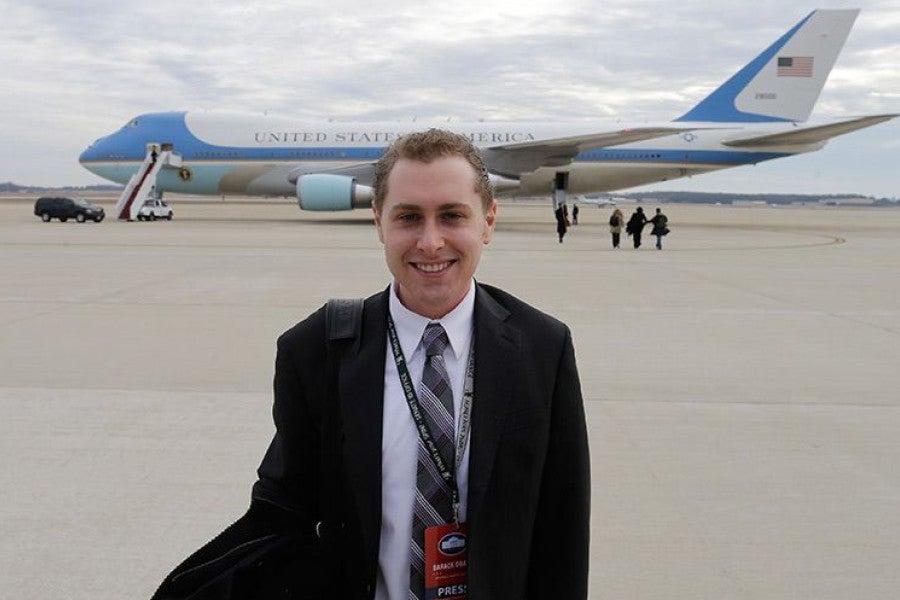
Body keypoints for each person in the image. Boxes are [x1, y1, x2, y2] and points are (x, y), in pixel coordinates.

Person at [152, 129, 590, 600]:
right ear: (378, 221)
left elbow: (562, 532)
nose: (430, 242)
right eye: (408, 217)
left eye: (451, 215)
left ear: (488, 221)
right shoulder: (316, 350)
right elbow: (282, 512)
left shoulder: (541, 349)